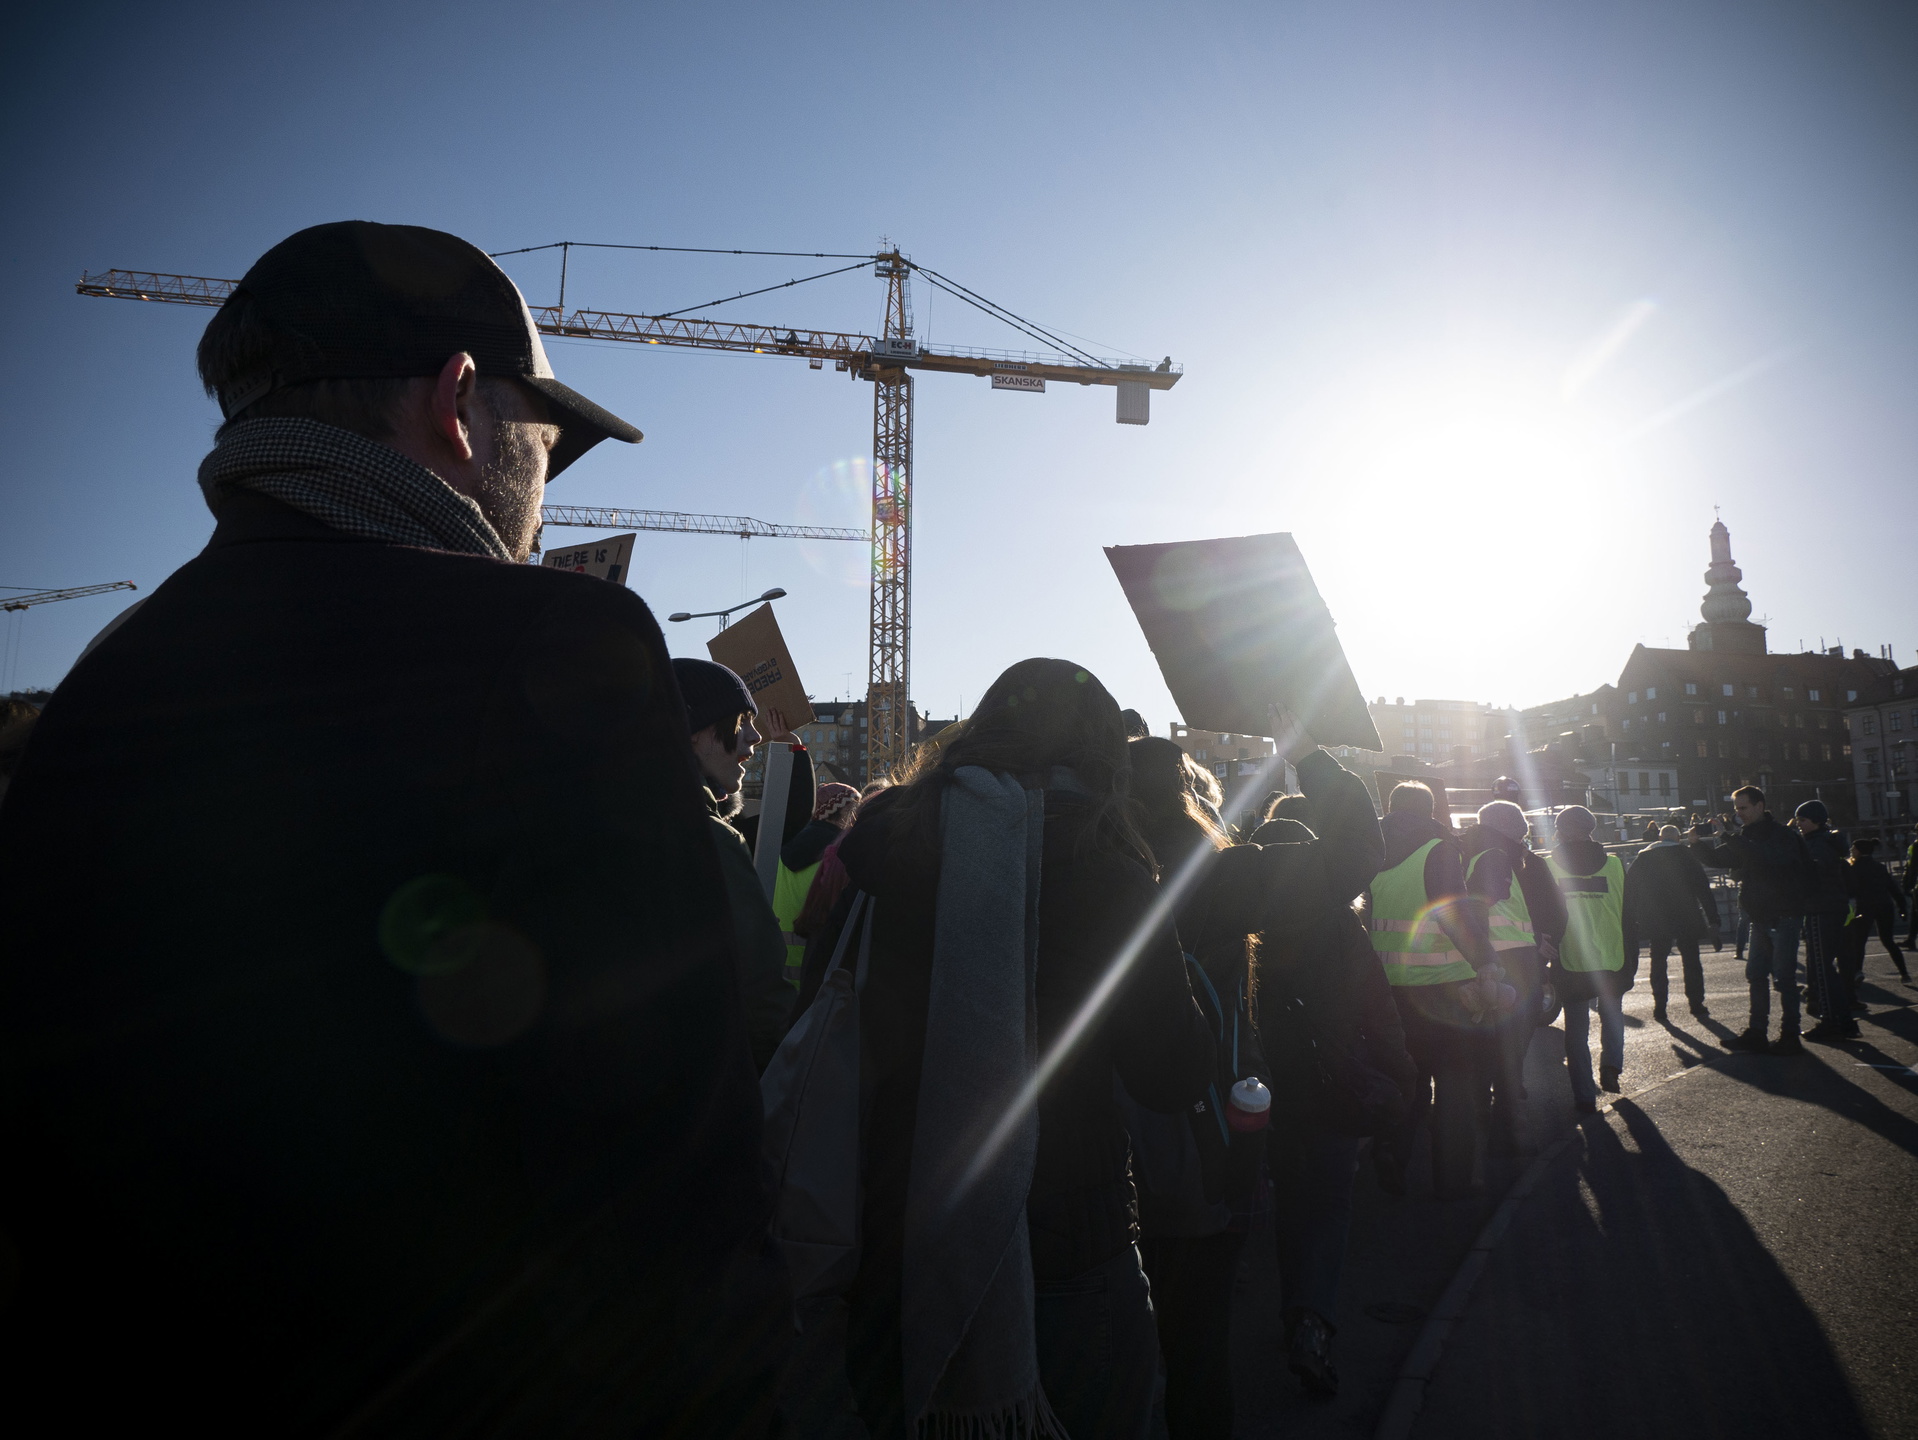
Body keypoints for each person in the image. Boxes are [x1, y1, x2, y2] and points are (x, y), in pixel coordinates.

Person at [0, 222, 787, 1435]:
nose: (540, 493)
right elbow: (670, 1169)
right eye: (546, 441)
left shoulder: (100, 686)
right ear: (460, 404)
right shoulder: (559, 644)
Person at [802, 658, 1214, 1440]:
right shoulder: (1104, 869)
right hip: (1062, 1241)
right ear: (1104, 759)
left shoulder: (886, 846)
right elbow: (1171, 1073)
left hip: (892, 1227)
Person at [1246, 739, 1403, 1398]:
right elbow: (1380, 1011)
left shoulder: (1244, 917)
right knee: (1329, 1208)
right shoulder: (1340, 927)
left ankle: (1292, 1308)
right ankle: (1312, 1316)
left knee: (1290, 1203)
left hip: (1267, 1088)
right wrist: (1400, 1079)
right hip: (1334, 1081)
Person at [1369, 781, 1506, 1200]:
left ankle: (1391, 1154)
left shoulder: (1369, 851)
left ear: (1392, 808)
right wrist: (1485, 961)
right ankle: (1453, 1181)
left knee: (1403, 1082)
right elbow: (1454, 910)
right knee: (1454, 1088)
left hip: (1388, 992)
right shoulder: (1438, 848)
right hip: (1444, 991)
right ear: (1429, 810)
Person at [672, 658, 798, 1069]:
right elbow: (762, 987)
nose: (753, 738)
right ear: (693, 733)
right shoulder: (708, 839)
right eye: (739, 721)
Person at [1462, 800, 1568, 1152]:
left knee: (1487, 1043)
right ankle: (1507, 1125)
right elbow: (1481, 909)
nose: (1525, 829)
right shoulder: (1499, 856)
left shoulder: (1467, 852)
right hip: (1514, 965)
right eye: (1521, 822)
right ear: (1509, 826)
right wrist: (1542, 941)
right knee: (1510, 1045)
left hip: (1487, 963)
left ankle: (1487, 1116)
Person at [1692, 785, 1817, 1055]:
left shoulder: (1782, 835)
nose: (1739, 814)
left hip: (1784, 915)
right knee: (1756, 975)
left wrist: (1730, 837)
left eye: (1743, 808)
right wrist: (1696, 843)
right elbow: (1722, 858)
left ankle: (1790, 1035)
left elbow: (1766, 858)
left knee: (1783, 978)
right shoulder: (1746, 835)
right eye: (1736, 809)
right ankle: (1757, 1033)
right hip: (1760, 916)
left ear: (1760, 806)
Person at [1544, 806, 1634, 1111]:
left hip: (1571, 958)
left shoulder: (1548, 867)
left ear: (1563, 830)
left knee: (1577, 1030)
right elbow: (1628, 914)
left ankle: (1584, 1095)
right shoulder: (1615, 866)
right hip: (1611, 954)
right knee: (1612, 1016)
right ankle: (1611, 1066)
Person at [1627, 823, 1723, 1021]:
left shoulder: (1643, 858)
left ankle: (1660, 1006)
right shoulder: (1687, 856)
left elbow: (1629, 891)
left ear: (1660, 839)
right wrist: (1713, 919)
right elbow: (1704, 890)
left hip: (1656, 919)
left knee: (1658, 960)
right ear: (1678, 839)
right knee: (1691, 961)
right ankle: (1696, 1004)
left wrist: (1631, 919)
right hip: (1686, 916)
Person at [772, 781, 861, 977]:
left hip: (777, 962)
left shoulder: (783, 849)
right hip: (814, 966)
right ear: (843, 812)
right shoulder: (840, 855)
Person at [1793, 800, 1860, 1041]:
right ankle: (1843, 1020)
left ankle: (1832, 1020)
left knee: (1821, 967)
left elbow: (1811, 877)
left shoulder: (1816, 845)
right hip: (1833, 908)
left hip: (1821, 909)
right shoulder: (1827, 843)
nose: (1799, 824)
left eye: (1803, 820)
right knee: (1825, 967)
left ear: (1816, 821)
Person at [1842, 839, 1910, 986]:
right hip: (1885, 905)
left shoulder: (1855, 868)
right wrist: (1902, 907)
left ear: (1859, 851)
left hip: (1865, 907)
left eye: (1853, 849)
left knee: (1859, 941)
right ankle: (1904, 972)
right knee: (1888, 940)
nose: (1851, 851)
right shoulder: (1879, 867)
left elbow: (1850, 890)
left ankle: (1857, 971)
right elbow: (1893, 888)